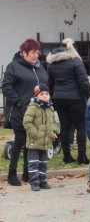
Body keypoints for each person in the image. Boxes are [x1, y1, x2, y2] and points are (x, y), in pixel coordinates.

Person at [2, 39, 49, 186]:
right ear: (24, 53)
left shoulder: (40, 68)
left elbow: (45, 86)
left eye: (37, 53)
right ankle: (12, 173)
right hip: (20, 111)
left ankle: (28, 173)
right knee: (20, 141)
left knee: (32, 143)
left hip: (37, 112)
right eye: (33, 53)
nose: (36, 56)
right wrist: (18, 101)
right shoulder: (13, 66)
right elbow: (6, 86)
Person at [46, 38, 90, 164]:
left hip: (59, 98)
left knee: (65, 127)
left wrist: (52, 99)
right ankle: (82, 156)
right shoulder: (75, 61)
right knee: (81, 127)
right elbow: (84, 82)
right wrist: (88, 96)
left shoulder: (51, 66)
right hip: (75, 98)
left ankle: (67, 156)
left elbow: (50, 84)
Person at [22, 83, 59, 191]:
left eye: (47, 94)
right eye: (42, 94)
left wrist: (53, 133)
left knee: (43, 163)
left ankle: (42, 180)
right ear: (37, 95)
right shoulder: (33, 107)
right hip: (35, 141)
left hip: (45, 141)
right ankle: (34, 182)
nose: (45, 96)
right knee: (33, 163)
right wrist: (35, 133)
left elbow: (51, 123)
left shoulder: (49, 108)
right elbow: (27, 122)